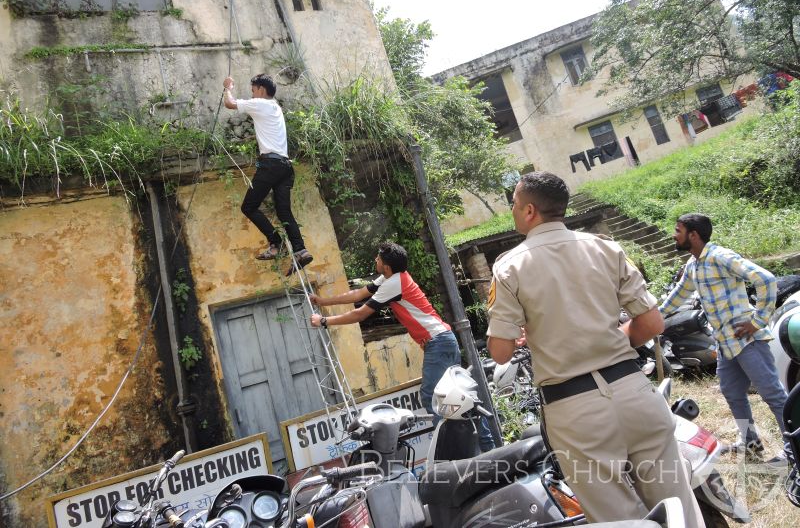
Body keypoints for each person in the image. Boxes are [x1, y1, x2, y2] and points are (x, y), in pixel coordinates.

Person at [487, 172, 702, 526]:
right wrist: (611, 340)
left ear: (528, 211)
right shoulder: (605, 246)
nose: (512, 211)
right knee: (678, 508)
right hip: (635, 390)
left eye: (513, 204)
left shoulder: (509, 266)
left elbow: (500, 353)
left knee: (620, 519)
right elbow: (651, 325)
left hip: (575, 411)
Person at [309, 242, 496, 452]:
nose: (375, 260)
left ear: (387, 267)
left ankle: (453, 453)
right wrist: (322, 301)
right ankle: (488, 448)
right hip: (441, 340)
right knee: (457, 397)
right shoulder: (391, 277)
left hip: (438, 341)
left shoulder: (394, 283)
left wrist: (325, 321)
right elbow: (358, 294)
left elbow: (360, 313)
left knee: (434, 397)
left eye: (378, 259)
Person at [660, 213, 787, 467]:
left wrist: (758, 320)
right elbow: (677, 296)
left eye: (678, 230)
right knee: (731, 391)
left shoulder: (720, 257)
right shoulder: (693, 265)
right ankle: (750, 442)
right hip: (725, 343)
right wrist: (649, 316)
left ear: (693, 235)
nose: (674, 235)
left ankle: (794, 447)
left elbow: (766, 279)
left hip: (747, 339)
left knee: (773, 395)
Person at [222, 74, 313, 267]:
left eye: (253, 90)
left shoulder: (261, 104)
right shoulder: (275, 108)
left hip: (270, 165)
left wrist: (227, 86)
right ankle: (300, 250)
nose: (252, 94)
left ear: (261, 90)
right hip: (285, 167)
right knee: (284, 212)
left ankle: (276, 243)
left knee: (248, 207)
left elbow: (229, 103)